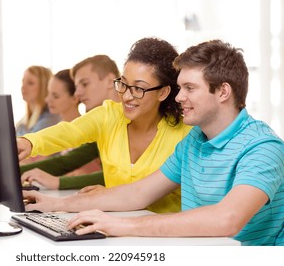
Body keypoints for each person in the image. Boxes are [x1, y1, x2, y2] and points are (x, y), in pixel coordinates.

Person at [21, 40, 284, 246]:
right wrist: (54, 204)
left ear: (223, 92)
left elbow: (227, 219)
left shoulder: (263, 148)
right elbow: (137, 193)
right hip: (200, 254)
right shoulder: (195, 141)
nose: (179, 98)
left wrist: (124, 226)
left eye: (189, 89)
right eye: (180, 88)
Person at [18, 37, 192, 213]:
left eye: (138, 88)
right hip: (113, 229)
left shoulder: (185, 134)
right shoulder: (108, 116)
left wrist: (106, 194)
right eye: (123, 84)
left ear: (163, 92)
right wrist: (29, 143)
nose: (126, 96)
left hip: (162, 234)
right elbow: (69, 131)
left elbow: (139, 194)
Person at [19, 55, 121, 189]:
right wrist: (3, 173)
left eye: (85, 84)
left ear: (109, 81)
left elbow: (120, 176)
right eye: (77, 86)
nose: (78, 93)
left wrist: (59, 182)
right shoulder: (103, 120)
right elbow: (66, 161)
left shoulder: (129, 119)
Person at [0, 65, 60, 176]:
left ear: (44, 88)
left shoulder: (49, 120)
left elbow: (29, 160)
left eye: (30, 83)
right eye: (23, 82)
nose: (23, 87)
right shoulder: (24, 122)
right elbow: (1, 150)